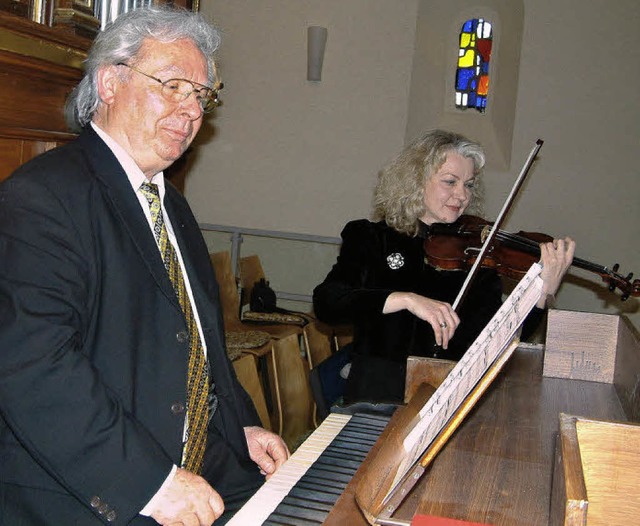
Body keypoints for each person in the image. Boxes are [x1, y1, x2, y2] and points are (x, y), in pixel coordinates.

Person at [0, 6, 288, 526]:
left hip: (204, 464)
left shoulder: (170, 203)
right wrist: (149, 483)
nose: (192, 111)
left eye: (201, 96)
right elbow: (31, 365)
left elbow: (199, 341)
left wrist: (240, 426)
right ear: (110, 83)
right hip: (96, 488)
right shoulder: (43, 196)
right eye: (174, 85)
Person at [313, 129, 575, 405]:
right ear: (416, 181)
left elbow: (498, 338)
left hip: (447, 397)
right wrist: (406, 299)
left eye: (469, 184)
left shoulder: (476, 253)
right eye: (450, 181)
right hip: (378, 395)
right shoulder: (371, 237)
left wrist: (543, 292)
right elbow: (327, 302)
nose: (462, 195)